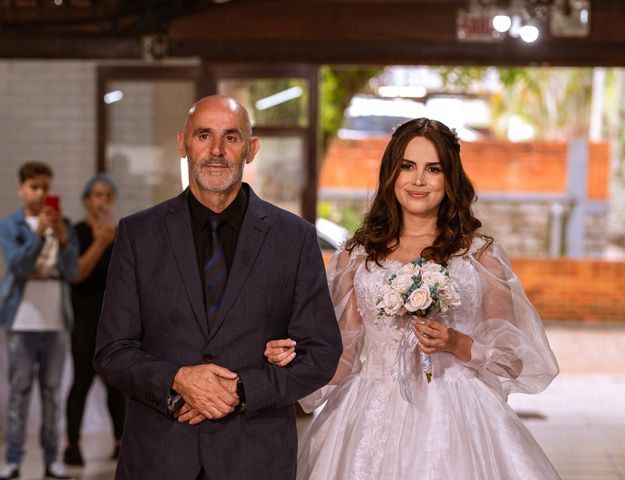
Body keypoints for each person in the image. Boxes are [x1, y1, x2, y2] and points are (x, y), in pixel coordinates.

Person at [265, 118, 561, 479]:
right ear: (391, 174)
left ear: (450, 178)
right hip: (370, 412)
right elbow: (341, 352)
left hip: (460, 414)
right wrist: (294, 364)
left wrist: (460, 343)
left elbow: (513, 360)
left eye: (433, 169)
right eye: (407, 166)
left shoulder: (479, 255)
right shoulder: (357, 256)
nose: (418, 180)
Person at [93, 95, 342, 480]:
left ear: (251, 149)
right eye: (203, 135)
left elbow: (322, 353)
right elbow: (112, 351)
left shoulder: (294, 238)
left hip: (255, 457)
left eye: (231, 137)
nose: (216, 151)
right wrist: (178, 381)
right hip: (159, 457)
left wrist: (241, 391)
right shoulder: (138, 235)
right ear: (182, 144)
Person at [0, 161, 78, 480]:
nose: (40, 193)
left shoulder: (64, 225)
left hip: (56, 318)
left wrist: (62, 239)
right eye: (34, 187)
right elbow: (18, 266)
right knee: (19, 393)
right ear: (21, 189)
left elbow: (72, 272)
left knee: (52, 393)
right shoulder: (10, 226)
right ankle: (13, 460)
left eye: (45, 187)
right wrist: (36, 234)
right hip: (22, 319)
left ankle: (52, 459)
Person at [63, 174, 125, 466]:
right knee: (81, 382)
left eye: (108, 195)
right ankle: (72, 445)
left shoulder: (123, 234)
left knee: (117, 383)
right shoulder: (75, 232)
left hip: (113, 321)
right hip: (85, 319)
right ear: (87, 199)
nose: (103, 201)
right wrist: (100, 244)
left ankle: (120, 442)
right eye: (98, 194)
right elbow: (76, 274)